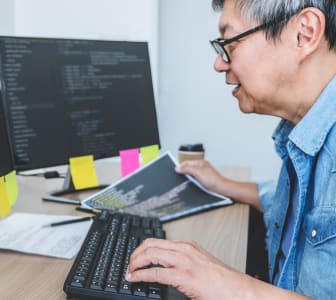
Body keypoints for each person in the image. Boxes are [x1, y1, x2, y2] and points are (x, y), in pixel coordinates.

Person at [125, 0, 336, 299]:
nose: (219, 63)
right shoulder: (305, 130)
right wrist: (224, 185)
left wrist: (228, 284)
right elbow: (305, 208)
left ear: (304, 33)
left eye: (231, 42)